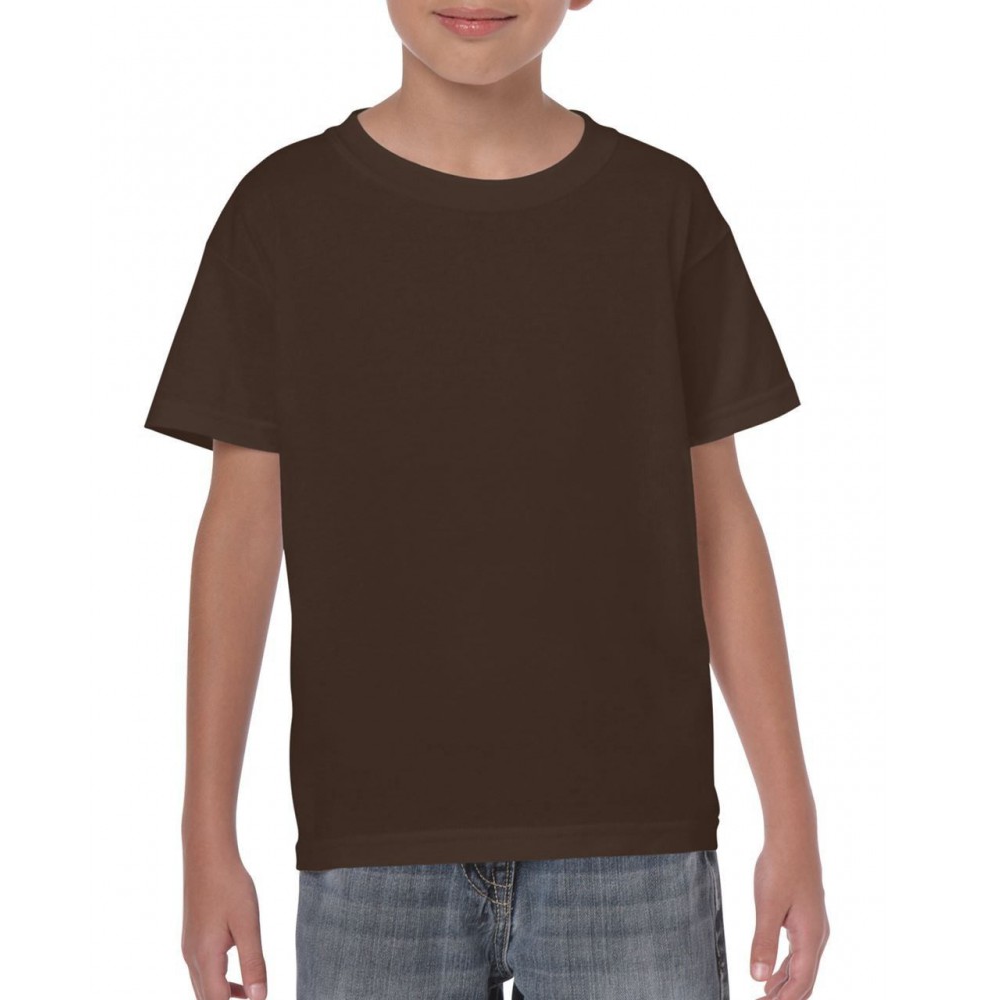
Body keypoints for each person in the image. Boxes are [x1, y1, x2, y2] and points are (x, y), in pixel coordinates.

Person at [143, 2, 830, 998]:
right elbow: (241, 533)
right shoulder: (281, 214)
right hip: (370, 845)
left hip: (633, 838)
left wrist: (792, 817)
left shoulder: (659, 207)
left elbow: (719, 526)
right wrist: (205, 836)